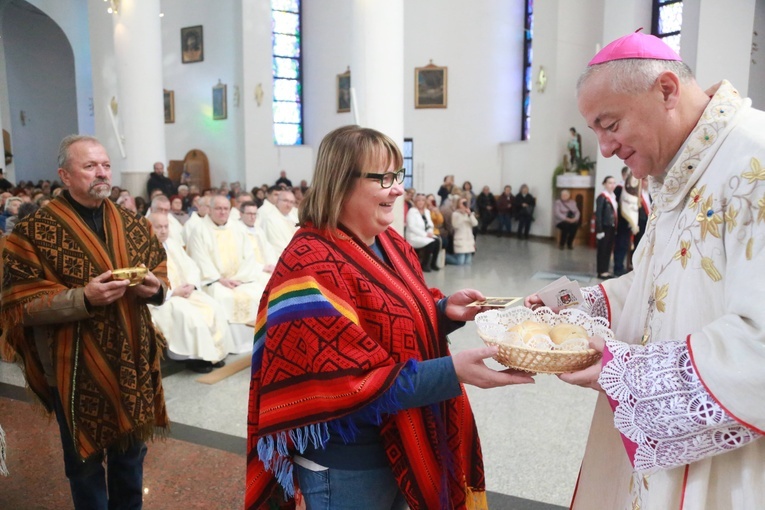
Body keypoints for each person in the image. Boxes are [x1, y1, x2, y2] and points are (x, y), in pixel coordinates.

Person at [530, 31, 765, 509]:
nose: (605, 149)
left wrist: (632, 373)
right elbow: (659, 283)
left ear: (666, 90)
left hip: (731, 455)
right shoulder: (677, 170)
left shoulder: (752, 160)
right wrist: (578, 306)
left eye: (609, 124)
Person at [245, 125, 534, 510]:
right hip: (348, 462)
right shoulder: (309, 263)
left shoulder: (389, 243)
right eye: (384, 178)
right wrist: (453, 372)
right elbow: (346, 380)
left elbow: (385, 325)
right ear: (341, 182)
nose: (398, 189)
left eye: (398, 176)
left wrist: (442, 310)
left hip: (403, 441)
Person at [1, 134, 169, 508]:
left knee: (130, 457)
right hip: (74, 363)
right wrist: (82, 298)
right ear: (64, 174)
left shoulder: (133, 223)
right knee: (84, 465)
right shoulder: (32, 232)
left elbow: (159, 271)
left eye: (106, 165)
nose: (101, 173)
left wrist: (155, 288)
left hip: (131, 360)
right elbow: (19, 305)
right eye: (90, 166)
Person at [147, 213, 233, 373]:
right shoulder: (143, 249)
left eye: (166, 226)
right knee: (190, 317)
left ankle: (215, 354)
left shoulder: (171, 244)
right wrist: (172, 292)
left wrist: (191, 285)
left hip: (185, 291)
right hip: (164, 299)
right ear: (149, 227)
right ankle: (195, 359)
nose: (164, 231)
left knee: (213, 307)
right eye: (159, 227)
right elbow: (146, 282)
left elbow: (191, 266)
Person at [186, 195, 269, 338]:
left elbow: (248, 256)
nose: (222, 212)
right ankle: (234, 343)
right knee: (222, 298)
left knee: (259, 293)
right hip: (214, 281)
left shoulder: (238, 228)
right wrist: (219, 279)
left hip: (239, 279)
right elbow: (200, 260)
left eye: (226, 208)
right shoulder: (199, 230)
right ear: (210, 210)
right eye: (218, 208)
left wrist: (239, 278)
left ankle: (255, 341)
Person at [405, 193, 441, 272]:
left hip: (425, 235)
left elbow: (430, 224)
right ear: (416, 202)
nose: (421, 202)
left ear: (425, 202)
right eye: (419, 200)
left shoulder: (427, 211)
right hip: (414, 236)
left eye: (423, 200)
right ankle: (424, 264)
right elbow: (412, 227)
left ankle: (433, 263)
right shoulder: (412, 211)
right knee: (431, 242)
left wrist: (430, 232)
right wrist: (426, 234)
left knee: (437, 241)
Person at [237, 201, 278, 271]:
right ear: (241, 214)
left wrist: (272, 264)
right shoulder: (236, 230)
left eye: (255, 214)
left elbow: (268, 250)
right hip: (250, 271)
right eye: (249, 214)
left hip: (266, 268)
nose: (253, 217)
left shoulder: (259, 230)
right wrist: (261, 267)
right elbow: (240, 257)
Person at [260, 189, 298, 255]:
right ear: (278, 201)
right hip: (280, 256)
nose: (288, 205)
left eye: (291, 202)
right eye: (285, 201)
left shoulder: (295, 217)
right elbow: (275, 244)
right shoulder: (270, 219)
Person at [595, 175, 617, 278]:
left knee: (608, 249)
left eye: (613, 183)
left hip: (612, 227)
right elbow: (598, 214)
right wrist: (599, 230)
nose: (612, 185)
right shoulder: (602, 197)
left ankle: (606, 270)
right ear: (604, 184)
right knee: (602, 249)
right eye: (609, 183)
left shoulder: (613, 196)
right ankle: (601, 271)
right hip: (605, 227)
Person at [446, 197, 478, 265]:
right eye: (462, 203)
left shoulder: (470, 213)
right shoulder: (455, 214)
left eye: (465, 203)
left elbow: (475, 223)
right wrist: (462, 215)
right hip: (460, 240)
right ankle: (445, 257)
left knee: (467, 262)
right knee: (460, 262)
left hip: (469, 240)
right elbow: (455, 225)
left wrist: (469, 214)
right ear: (458, 205)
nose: (464, 205)